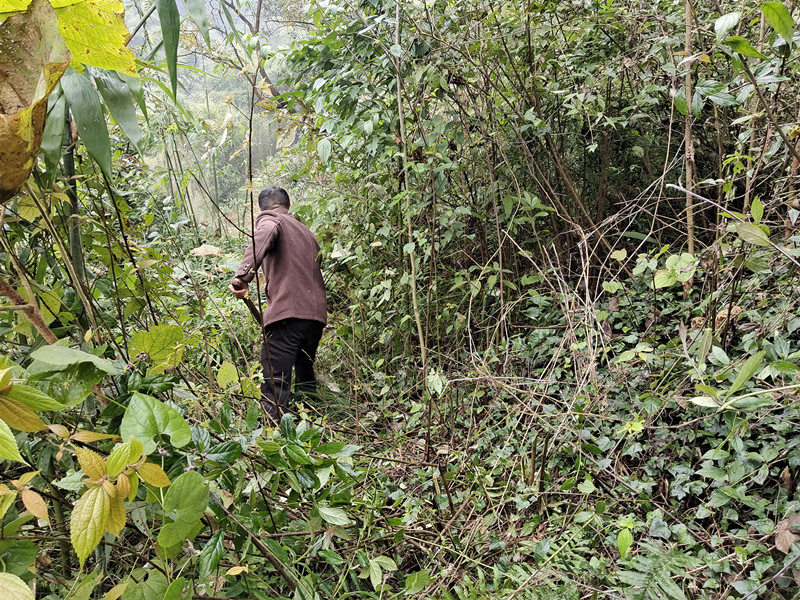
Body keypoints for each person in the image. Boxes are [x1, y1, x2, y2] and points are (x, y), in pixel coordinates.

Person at [229, 186, 327, 421]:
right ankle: (314, 423)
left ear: (262, 210)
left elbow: (265, 234)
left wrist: (242, 276)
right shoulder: (307, 232)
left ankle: (272, 431)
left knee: (275, 383)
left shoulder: (271, 220)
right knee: (305, 373)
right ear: (289, 206)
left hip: (288, 314)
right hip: (315, 318)